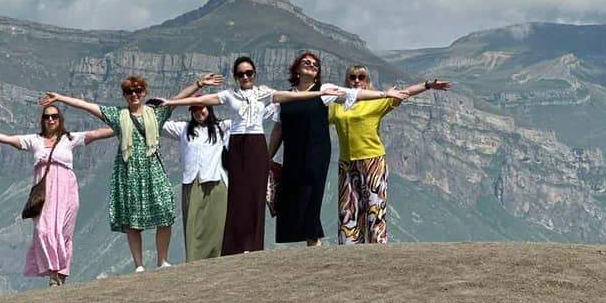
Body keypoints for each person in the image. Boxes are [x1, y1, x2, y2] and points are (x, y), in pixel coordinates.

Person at [161, 56, 344, 255]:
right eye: (241, 74)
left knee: (256, 196)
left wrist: (320, 93)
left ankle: (254, 246)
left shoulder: (264, 93)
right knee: (238, 195)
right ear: (236, 77)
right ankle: (235, 247)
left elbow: (292, 97)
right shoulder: (230, 95)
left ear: (255, 74)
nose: (245, 77)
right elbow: (200, 100)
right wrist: (171, 102)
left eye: (249, 73)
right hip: (237, 144)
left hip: (256, 144)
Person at [41, 72, 222, 272]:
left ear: (144, 93)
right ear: (125, 95)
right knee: (132, 220)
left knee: (165, 212)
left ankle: (162, 261)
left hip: (153, 169)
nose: (134, 95)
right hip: (128, 171)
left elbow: (178, 99)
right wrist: (60, 98)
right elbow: (87, 106)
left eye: (137, 91)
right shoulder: (118, 115)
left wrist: (199, 84)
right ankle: (139, 264)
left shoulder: (156, 113)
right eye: (129, 92)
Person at [267, 52, 406, 246]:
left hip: (316, 151)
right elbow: (278, 129)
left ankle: (313, 240)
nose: (312, 65)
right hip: (293, 153)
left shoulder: (324, 91)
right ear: (297, 68)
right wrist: (268, 157)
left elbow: (354, 94)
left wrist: (384, 94)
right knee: (291, 196)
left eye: (315, 64)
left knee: (311, 194)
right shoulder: (286, 96)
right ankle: (309, 238)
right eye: (307, 62)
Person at [0, 103, 114, 285]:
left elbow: (96, 134)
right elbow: (9, 139)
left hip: (66, 191)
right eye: (47, 116)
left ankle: (61, 275)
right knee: (44, 230)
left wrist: (122, 126)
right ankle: (53, 273)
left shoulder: (69, 139)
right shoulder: (35, 140)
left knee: (64, 233)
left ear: (60, 119)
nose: (50, 119)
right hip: (45, 193)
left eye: (54, 116)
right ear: (42, 120)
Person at [329, 66, 452, 244]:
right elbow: (315, 113)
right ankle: (350, 252)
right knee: (348, 211)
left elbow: (405, 92)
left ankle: (378, 251)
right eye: (352, 77)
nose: (356, 80)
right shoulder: (337, 105)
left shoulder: (377, 101)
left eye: (361, 77)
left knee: (375, 209)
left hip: (373, 161)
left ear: (367, 81)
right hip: (347, 163)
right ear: (347, 80)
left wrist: (428, 85)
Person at [161, 104, 229, 262]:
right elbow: (158, 124)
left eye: (201, 109)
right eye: (194, 110)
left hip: (216, 181)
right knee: (193, 224)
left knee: (217, 222)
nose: (198, 113)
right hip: (192, 181)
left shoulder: (222, 127)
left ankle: (218, 258)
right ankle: (194, 260)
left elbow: (246, 121)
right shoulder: (183, 129)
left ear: (209, 109)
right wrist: (168, 104)